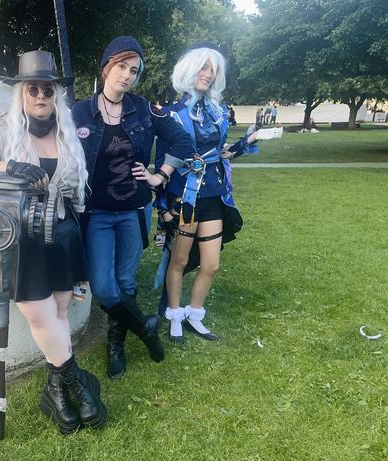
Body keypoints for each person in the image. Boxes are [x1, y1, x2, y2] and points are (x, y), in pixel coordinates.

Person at [0, 50, 106, 435]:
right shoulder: (4, 130)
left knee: (59, 312)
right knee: (37, 313)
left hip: (61, 235)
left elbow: (77, 191)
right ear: (22, 94)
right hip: (23, 240)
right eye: (33, 90)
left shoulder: (67, 133)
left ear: (55, 95)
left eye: (47, 90)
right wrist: (10, 166)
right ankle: (77, 380)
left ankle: (55, 392)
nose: (40, 96)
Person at [72, 36, 193, 379]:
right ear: (107, 66)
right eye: (121, 67)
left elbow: (183, 140)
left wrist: (160, 175)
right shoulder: (79, 111)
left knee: (125, 282)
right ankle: (146, 330)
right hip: (95, 212)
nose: (126, 75)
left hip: (133, 210)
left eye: (134, 71)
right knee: (104, 286)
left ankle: (116, 347)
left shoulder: (144, 109)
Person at [154, 41, 262, 344]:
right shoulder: (171, 114)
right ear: (190, 69)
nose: (208, 74)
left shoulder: (218, 113)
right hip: (184, 199)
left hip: (214, 195)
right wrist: (162, 207)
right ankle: (174, 315)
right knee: (178, 260)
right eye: (203, 67)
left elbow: (221, 154)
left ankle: (194, 313)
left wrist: (245, 143)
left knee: (211, 264)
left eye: (212, 70)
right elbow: (163, 163)